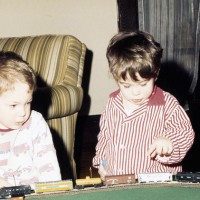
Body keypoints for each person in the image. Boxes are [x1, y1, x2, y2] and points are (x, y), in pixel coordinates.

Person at [92, 31, 195, 180]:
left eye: (142, 84)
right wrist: (101, 162)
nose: (135, 92)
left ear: (156, 74)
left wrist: (169, 142)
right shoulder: (112, 102)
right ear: (116, 78)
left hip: (154, 181)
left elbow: (184, 131)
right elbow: (105, 135)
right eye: (126, 85)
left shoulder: (167, 103)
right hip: (117, 177)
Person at [0, 51, 61, 188]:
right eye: (13, 105)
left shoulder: (35, 123)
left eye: (28, 103)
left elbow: (49, 168)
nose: (22, 112)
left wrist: (52, 193)